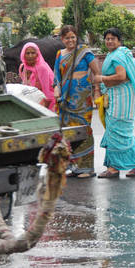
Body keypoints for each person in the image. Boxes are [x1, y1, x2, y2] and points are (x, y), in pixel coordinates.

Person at [92, 27, 135, 178]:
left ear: (119, 40)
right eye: (107, 39)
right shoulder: (119, 53)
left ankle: (117, 168)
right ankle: (128, 166)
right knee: (116, 131)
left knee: (118, 131)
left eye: (112, 38)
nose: (109, 41)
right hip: (119, 96)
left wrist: (102, 79)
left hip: (121, 98)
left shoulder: (118, 56)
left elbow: (121, 76)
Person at [53, 25, 101, 178]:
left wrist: (97, 90)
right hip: (65, 98)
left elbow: (97, 73)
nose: (70, 40)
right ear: (62, 39)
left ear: (76, 37)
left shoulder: (84, 52)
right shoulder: (60, 54)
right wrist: (56, 89)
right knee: (68, 132)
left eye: (73, 37)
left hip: (82, 97)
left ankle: (87, 168)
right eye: (67, 37)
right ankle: (74, 166)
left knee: (84, 130)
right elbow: (56, 77)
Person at [18, 42, 55, 110]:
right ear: (23, 54)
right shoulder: (23, 67)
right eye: (28, 53)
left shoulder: (42, 68)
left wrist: (44, 108)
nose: (30, 56)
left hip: (45, 102)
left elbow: (46, 89)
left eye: (33, 53)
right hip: (31, 101)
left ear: (37, 54)